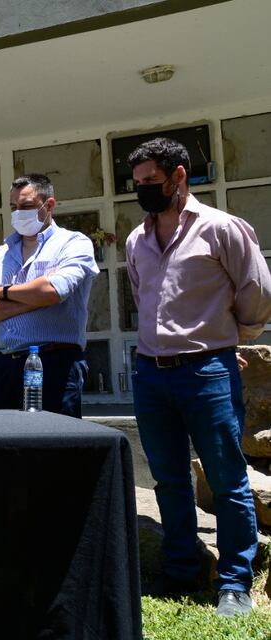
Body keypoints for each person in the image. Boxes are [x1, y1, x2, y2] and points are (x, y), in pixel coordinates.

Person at [125, 137, 271, 616]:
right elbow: (140, 295)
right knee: (168, 479)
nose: (143, 190)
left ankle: (234, 582)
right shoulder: (136, 239)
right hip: (150, 374)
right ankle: (182, 568)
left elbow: (257, 294)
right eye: (138, 183)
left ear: (179, 176)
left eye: (151, 181)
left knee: (227, 479)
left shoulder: (222, 229)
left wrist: (229, 341)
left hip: (207, 370)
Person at [0, 174, 99, 418]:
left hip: (56, 362)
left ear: (49, 205)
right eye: (13, 207)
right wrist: (34, 300)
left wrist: (4, 292)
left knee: (53, 447)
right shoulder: (2, 254)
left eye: (26, 206)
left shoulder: (73, 243)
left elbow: (53, 290)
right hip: (6, 363)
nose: (19, 213)